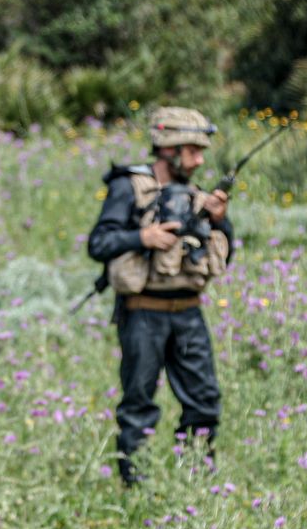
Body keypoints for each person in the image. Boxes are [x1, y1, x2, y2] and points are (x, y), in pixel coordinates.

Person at [86, 106, 234, 486]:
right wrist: (142, 237)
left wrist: (219, 220)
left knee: (204, 401)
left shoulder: (198, 196)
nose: (200, 160)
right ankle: (136, 486)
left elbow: (225, 252)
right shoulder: (128, 187)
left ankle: (197, 480)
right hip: (142, 315)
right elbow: (99, 243)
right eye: (192, 150)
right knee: (138, 405)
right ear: (169, 149)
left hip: (188, 314)